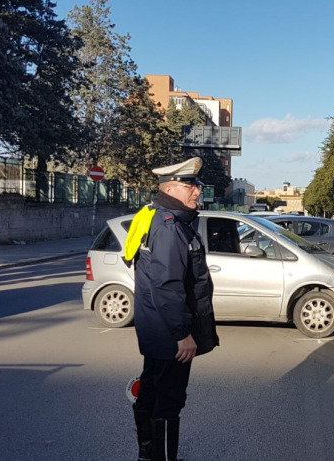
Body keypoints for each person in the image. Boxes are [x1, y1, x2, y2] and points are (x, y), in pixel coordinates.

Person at [127, 157, 218, 461]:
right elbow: (167, 286)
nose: (197, 191)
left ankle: (147, 453)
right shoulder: (168, 227)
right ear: (171, 187)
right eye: (191, 185)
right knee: (169, 401)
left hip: (157, 329)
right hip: (169, 335)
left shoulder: (166, 219)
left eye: (197, 184)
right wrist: (183, 335)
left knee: (152, 389)